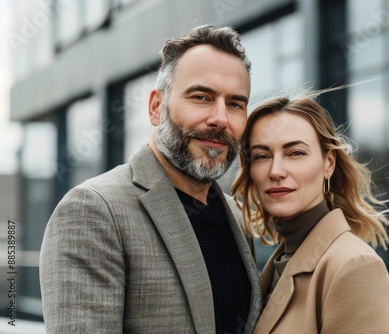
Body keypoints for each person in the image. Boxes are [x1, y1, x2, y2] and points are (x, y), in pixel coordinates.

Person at [40, 25, 262, 333]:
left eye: (235, 104)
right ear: (156, 107)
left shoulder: (236, 216)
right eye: (201, 97)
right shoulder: (94, 210)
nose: (220, 119)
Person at [231, 90, 389, 333]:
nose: (275, 171)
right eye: (262, 155)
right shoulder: (278, 263)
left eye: (295, 153)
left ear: (329, 163)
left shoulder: (354, 266)